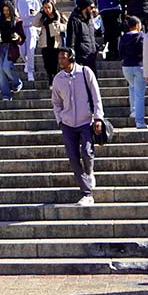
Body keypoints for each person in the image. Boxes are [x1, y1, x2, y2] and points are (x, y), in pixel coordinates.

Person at [50, 46, 105, 207]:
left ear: (71, 58)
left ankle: (89, 172)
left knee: (87, 152)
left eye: (63, 58)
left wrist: (98, 118)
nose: (61, 61)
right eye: (59, 58)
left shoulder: (85, 72)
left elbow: (96, 96)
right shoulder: (58, 79)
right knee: (73, 158)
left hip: (86, 120)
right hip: (67, 123)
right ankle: (87, 193)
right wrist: (59, 118)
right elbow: (56, 102)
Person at [0, 1, 26, 101]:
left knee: (6, 67)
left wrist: (18, 37)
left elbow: (22, 37)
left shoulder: (17, 21)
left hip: (11, 47)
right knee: (1, 71)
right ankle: (5, 94)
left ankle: (17, 82)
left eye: (7, 10)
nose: (6, 13)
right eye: (4, 10)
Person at [65, 0, 100, 69]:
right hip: (81, 58)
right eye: (91, 7)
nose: (93, 10)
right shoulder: (74, 20)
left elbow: (90, 37)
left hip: (91, 57)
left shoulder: (89, 20)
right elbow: (71, 40)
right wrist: (72, 57)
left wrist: (97, 47)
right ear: (85, 8)